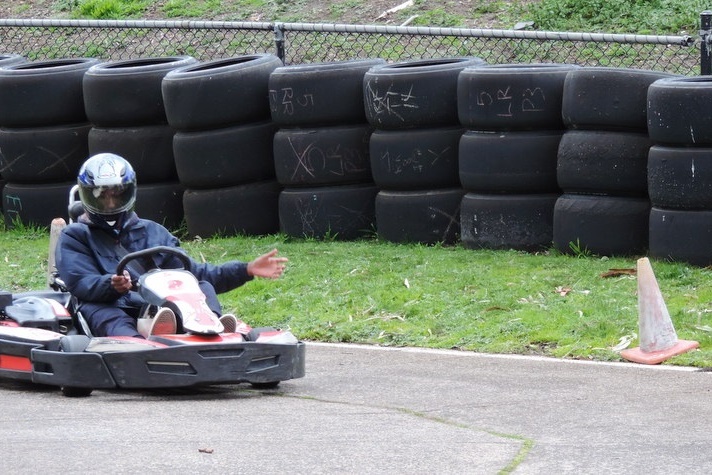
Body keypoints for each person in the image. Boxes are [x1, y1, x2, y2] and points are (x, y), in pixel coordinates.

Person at [55, 152, 287, 338]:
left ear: (129, 193)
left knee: (202, 285)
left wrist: (246, 269)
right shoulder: (75, 236)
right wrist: (111, 285)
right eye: (102, 196)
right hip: (112, 305)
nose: (111, 203)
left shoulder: (153, 231)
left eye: (117, 195)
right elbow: (80, 282)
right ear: (87, 196)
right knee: (104, 314)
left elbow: (194, 273)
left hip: (159, 307)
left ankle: (209, 328)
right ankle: (135, 344)